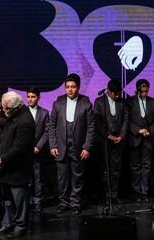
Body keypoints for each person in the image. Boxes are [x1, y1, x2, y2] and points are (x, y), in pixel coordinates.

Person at [48, 73, 95, 215]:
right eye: (67, 87)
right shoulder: (58, 103)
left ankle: (75, 202)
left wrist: (87, 147)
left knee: (77, 177)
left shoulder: (86, 104)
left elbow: (91, 127)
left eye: (73, 87)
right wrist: (53, 145)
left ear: (78, 88)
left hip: (79, 147)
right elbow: (51, 126)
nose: (70, 90)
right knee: (62, 177)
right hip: (61, 147)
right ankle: (63, 202)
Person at [0, 91, 36, 239]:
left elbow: (19, 149)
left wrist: (2, 159)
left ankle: (21, 226)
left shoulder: (26, 121)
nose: (3, 111)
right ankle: (7, 223)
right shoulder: (15, 115)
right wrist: (1, 121)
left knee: (19, 200)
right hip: (8, 168)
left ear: (15, 108)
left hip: (18, 168)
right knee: (8, 200)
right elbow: (11, 125)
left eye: (5, 109)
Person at [93, 80, 128, 205]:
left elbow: (125, 119)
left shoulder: (122, 102)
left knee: (116, 169)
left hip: (119, 141)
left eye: (119, 93)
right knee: (105, 169)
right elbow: (97, 122)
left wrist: (121, 136)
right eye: (115, 94)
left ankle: (113, 194)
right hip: (104, 141)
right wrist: (108, 136)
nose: (117, 96)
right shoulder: (99, 102)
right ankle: (105, 195)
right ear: (109, 91)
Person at [126, 79, 154, 203]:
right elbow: (127, 121)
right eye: (142, 91)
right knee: (135, 166)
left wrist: (150, 130)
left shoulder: (152, 102)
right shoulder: (130, 102)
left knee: (146, 166)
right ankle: (136, 191)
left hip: (148, 139)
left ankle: (144, 191)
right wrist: (138, 130)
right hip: (135, 139)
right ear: (137, 90)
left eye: (146, 91)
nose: (145, 94)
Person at [26, 86, 49, 212]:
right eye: (28, 97)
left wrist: (38, 146)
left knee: (38, 176)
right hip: (25, 151)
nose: (30, 99)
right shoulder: (22, 111)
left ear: (39, 97)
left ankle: (38, 201)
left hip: (38, 150)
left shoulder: (44, 113)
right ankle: (27, 200)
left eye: (33, 97)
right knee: (27, 177)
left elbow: (47, 132)